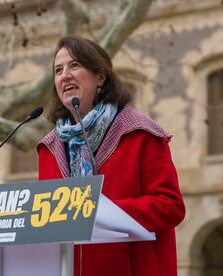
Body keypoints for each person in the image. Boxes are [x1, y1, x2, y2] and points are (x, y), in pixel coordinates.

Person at [37, 35, 186, 276]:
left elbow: (171, 206)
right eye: (58, 70)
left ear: (101, 77)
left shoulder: (140, 134)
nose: (65, 75)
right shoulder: (49, 148)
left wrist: (100, 211)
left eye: (75, 65)